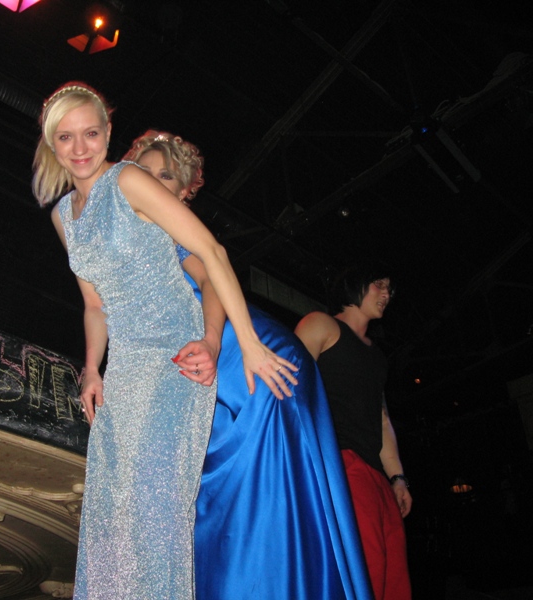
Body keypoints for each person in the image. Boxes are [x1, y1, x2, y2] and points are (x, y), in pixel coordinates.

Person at [32, 83, 298, 600]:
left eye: (91, 133)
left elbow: (212, 253)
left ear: (109, 133)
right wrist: (92, 368)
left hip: (173, 359)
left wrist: (243, 343)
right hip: (125, 369)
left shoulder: (129, 180)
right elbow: (94, 304)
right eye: (66, 137)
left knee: (152, 510)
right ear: (51, 143)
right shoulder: (63, 217)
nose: (80, 148)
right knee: (110, 511)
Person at [124, 130, 373, 600]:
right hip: (231, 353)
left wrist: (221, 342)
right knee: (249, 483)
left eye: (167, 176)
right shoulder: (125, 237)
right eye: (145, 171)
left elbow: (212, 279)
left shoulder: (174, 232)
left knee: (250, 481)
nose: (153, 181)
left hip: (245, 350)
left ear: (184, 193)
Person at [295, 264, 412, 600]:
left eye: (390, 288)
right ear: (353, 284)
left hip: (375, 476)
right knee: (364, 570)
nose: (386, 293)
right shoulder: (321, 325)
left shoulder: (377, 357)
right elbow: (288, 392)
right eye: (379, 284)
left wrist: (398, 478)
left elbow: (381, 419)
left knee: (392, 580)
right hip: (340, 463)